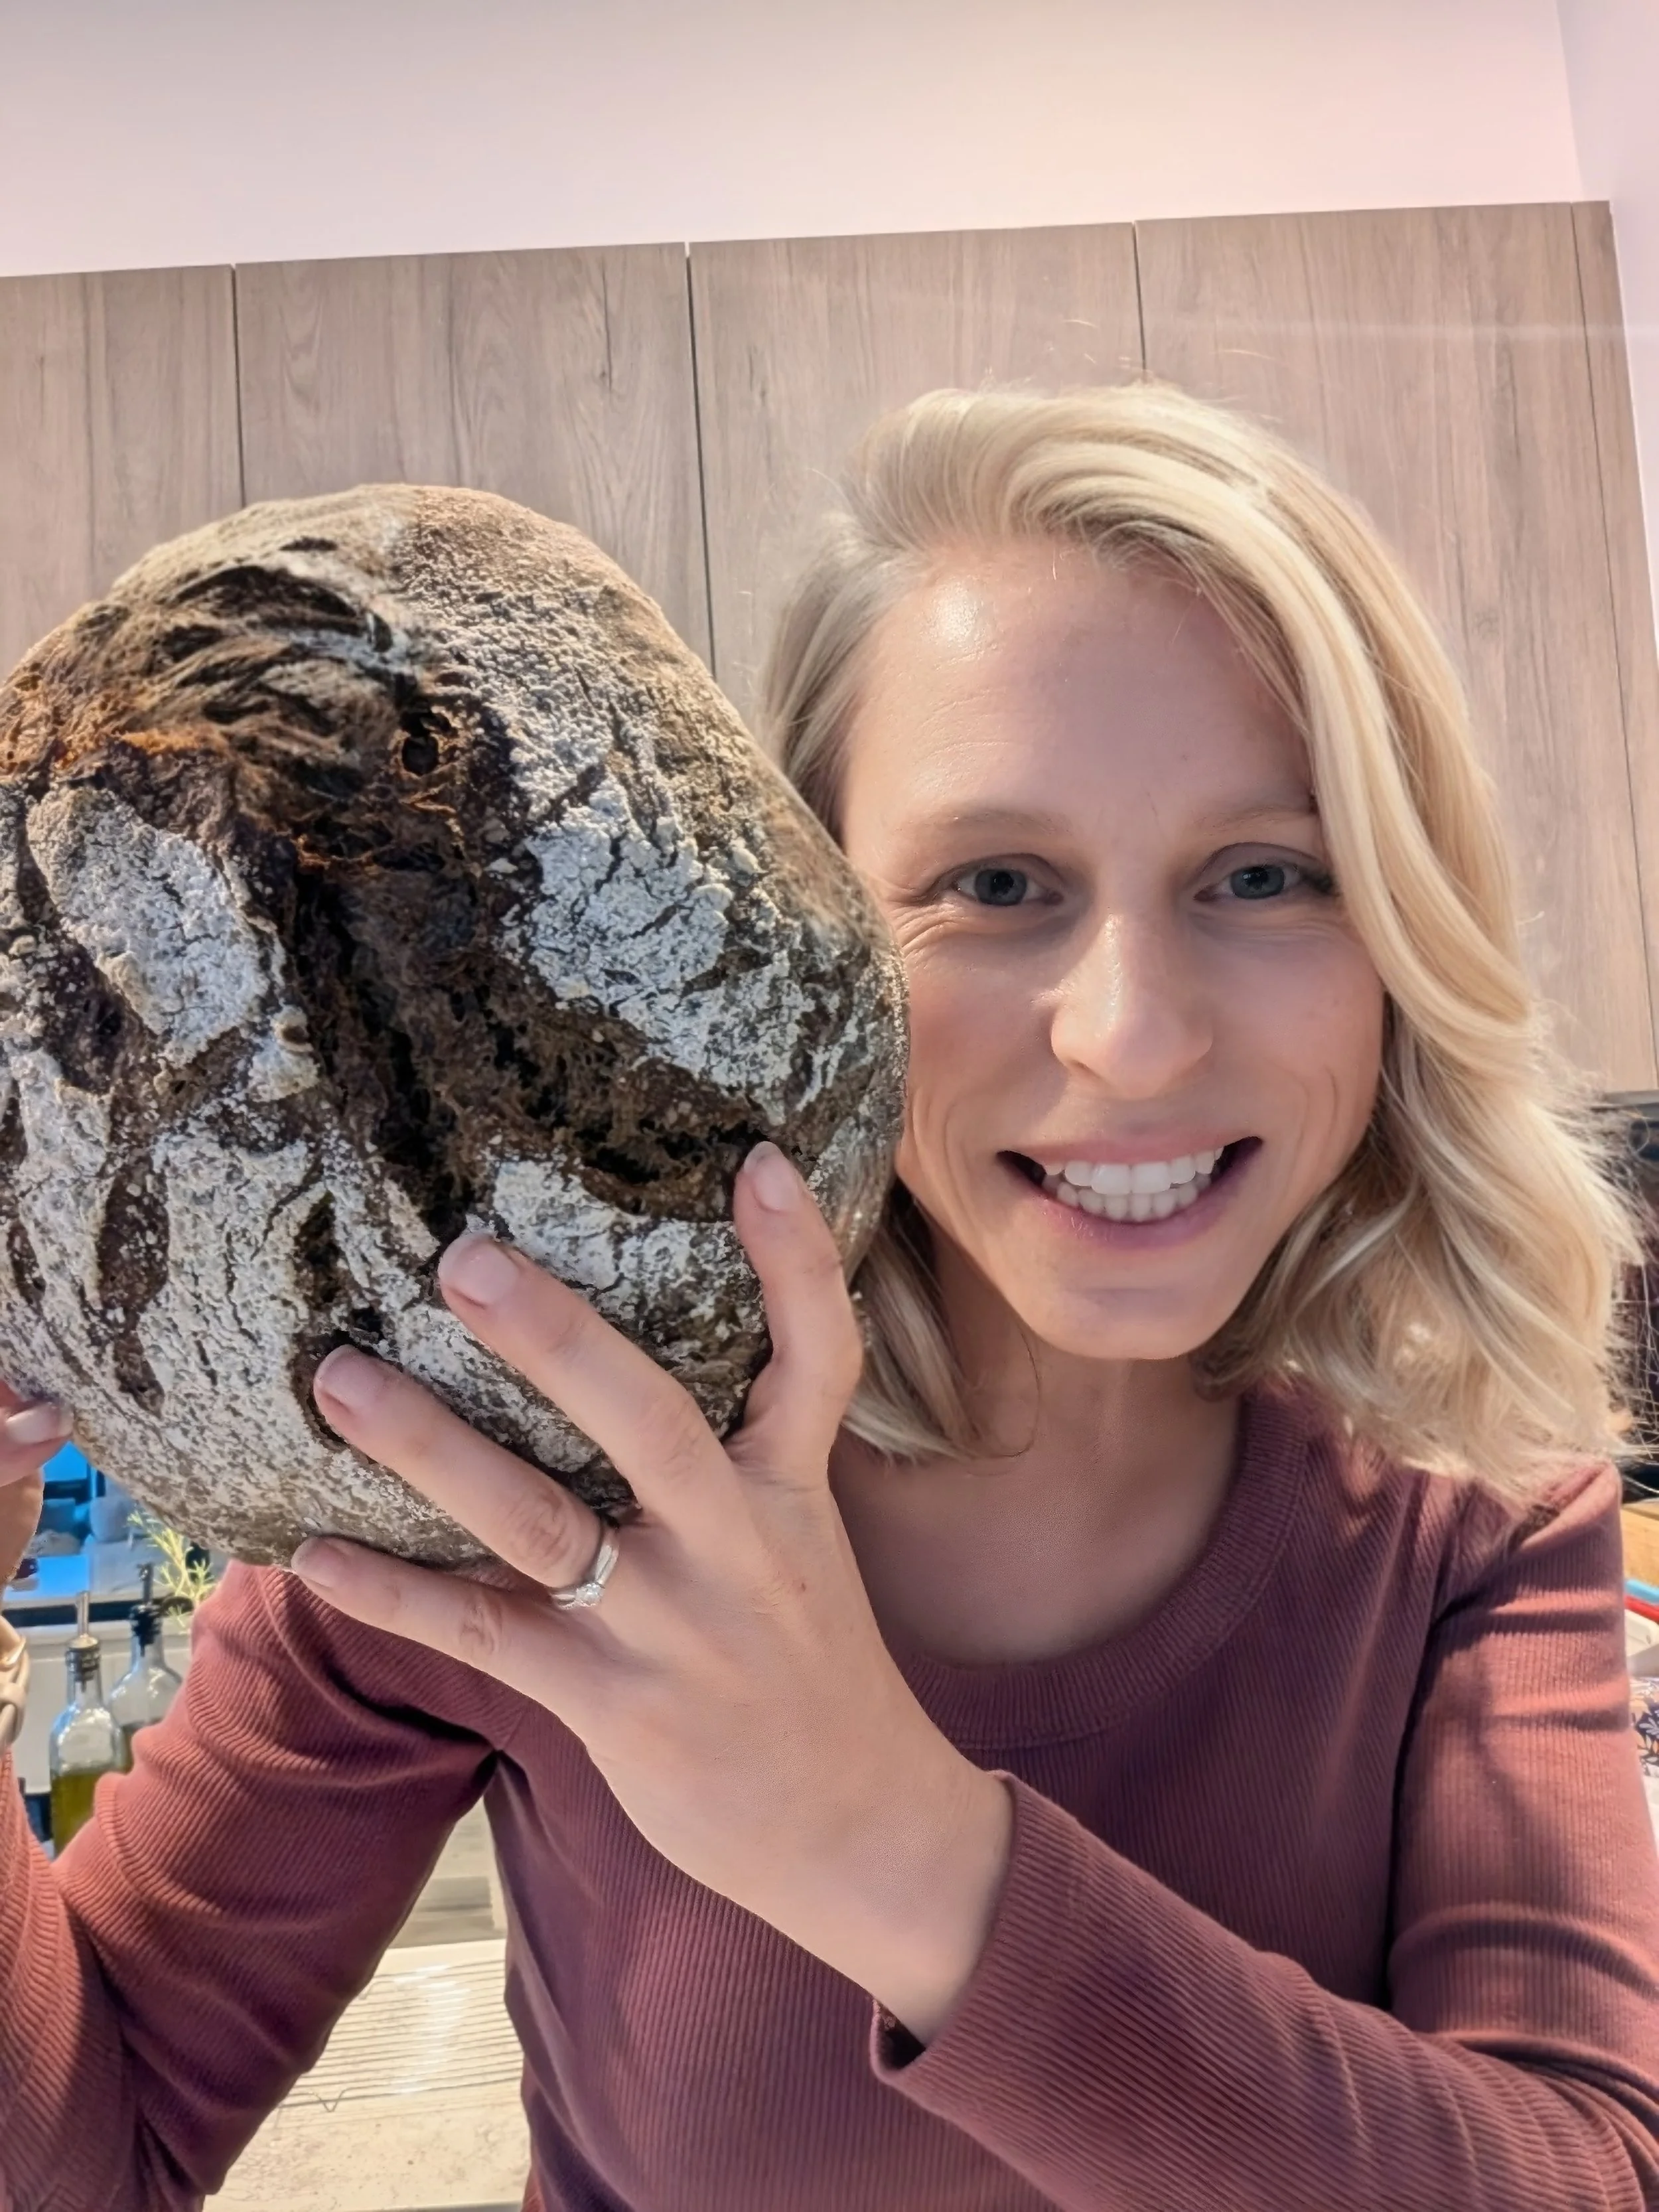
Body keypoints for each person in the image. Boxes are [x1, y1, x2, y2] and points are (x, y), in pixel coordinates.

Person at [1, 381, 1657, 2212]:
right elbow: (90, 2156)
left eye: (1263, 875)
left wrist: (887, 1841)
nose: (1130, 1035)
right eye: (997, 883)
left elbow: (1580, 2171)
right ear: (809, 913)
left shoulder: (1474, 1505)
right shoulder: (515, 1484)